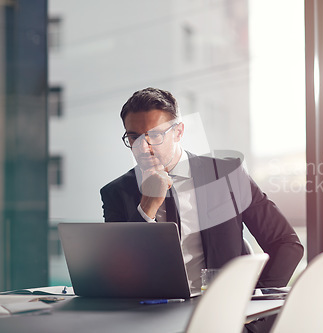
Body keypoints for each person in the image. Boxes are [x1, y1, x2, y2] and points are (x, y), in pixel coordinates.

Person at [100, 87, 303, 295]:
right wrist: (147, 208)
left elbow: (286, 244)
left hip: (222, 315)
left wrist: (250, 301)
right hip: (149, 317)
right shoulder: (116, 193)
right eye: (134, 137)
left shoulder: (227, 176)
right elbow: (117, 272)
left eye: (155, 135)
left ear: (178, 132)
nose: (143, 147)